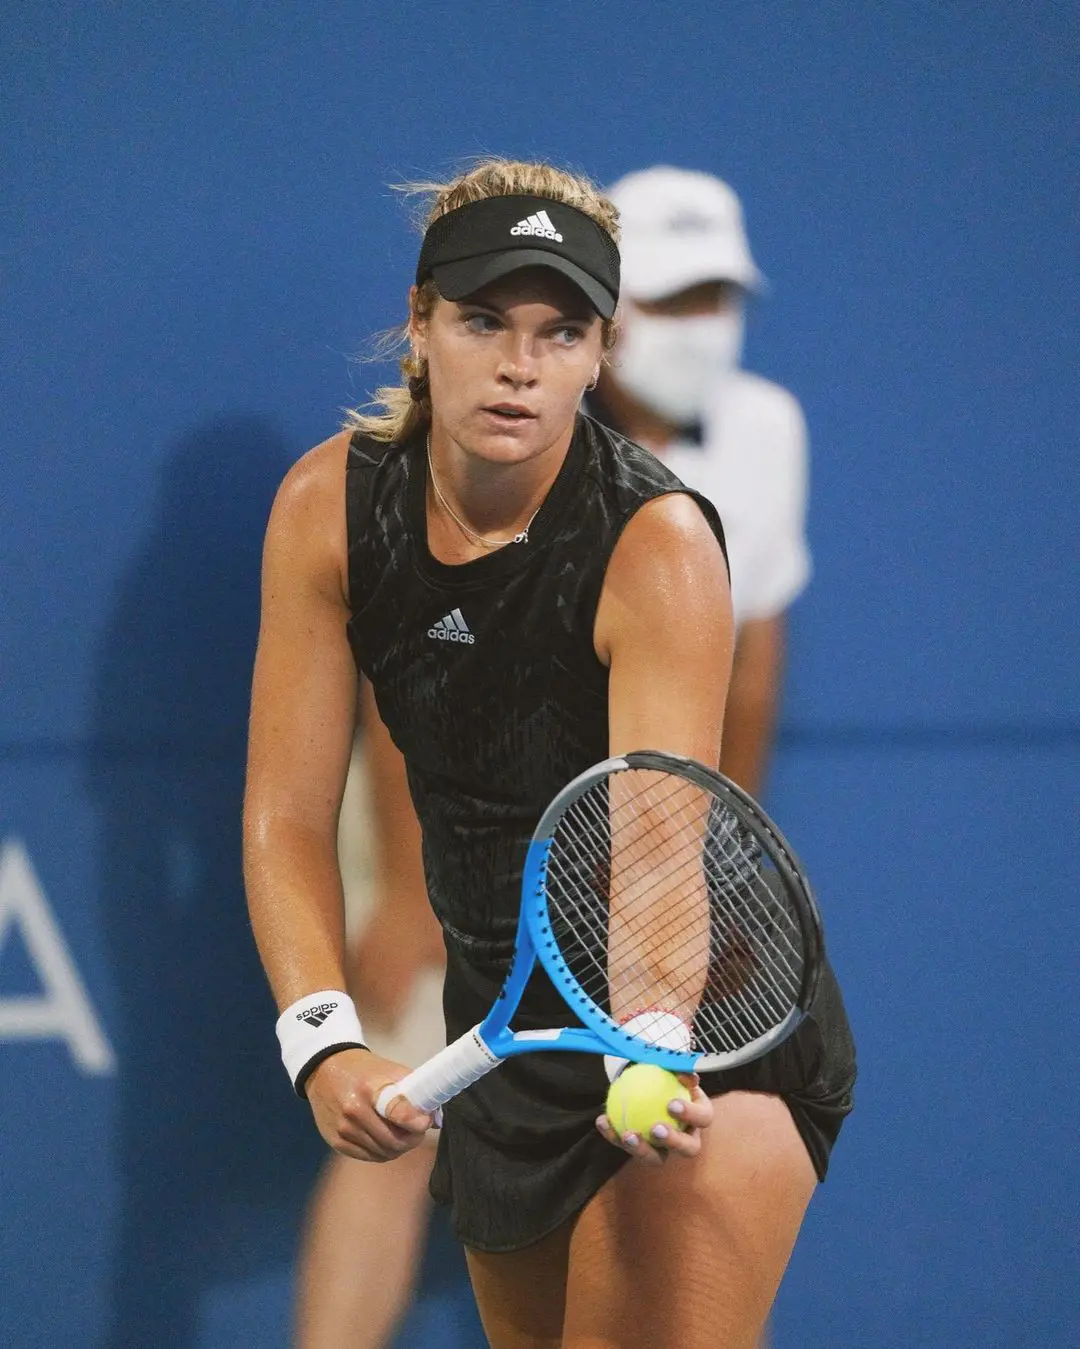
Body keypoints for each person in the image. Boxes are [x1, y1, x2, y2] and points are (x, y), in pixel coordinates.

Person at [244, 157, 856, 1349]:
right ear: (419, 325)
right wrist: (321, 1035)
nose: (520, 363)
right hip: (506, 1008)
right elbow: (285, 814)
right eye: (483, 320)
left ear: (599, 352)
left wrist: (653, 1044)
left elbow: (663, 838)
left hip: (697, 1019)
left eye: (561, 329)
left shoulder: (659, 542)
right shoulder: (326, 508)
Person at [588, 166, 811, 797]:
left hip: (660, 820)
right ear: (607, 305)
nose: (699, 326)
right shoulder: (527, 425)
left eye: (713, 299)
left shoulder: (769, 427)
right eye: (670, 300)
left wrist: (726, 848)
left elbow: (752, 654)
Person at [292, 677, 448, 1349]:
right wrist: (413, 889)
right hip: (435, 824)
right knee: (393, 1137)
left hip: (622, 832)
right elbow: (405, 663)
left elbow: (749, 679)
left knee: (651, 1174)